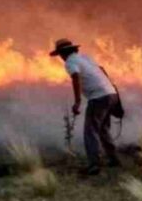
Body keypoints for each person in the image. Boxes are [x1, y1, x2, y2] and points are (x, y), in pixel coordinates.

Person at [50, 38, 121, 175]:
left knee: (90, 131)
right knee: (103, 129)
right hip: (111, 93)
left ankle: (94, 165)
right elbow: (102, 69)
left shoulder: (70, 62)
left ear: (63, 53)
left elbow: (75, 77)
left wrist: (77, 102)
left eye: (60, 54)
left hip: (98, 97)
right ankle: (114, 159)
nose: (61, 58)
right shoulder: (85, 58)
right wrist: (108, 86)